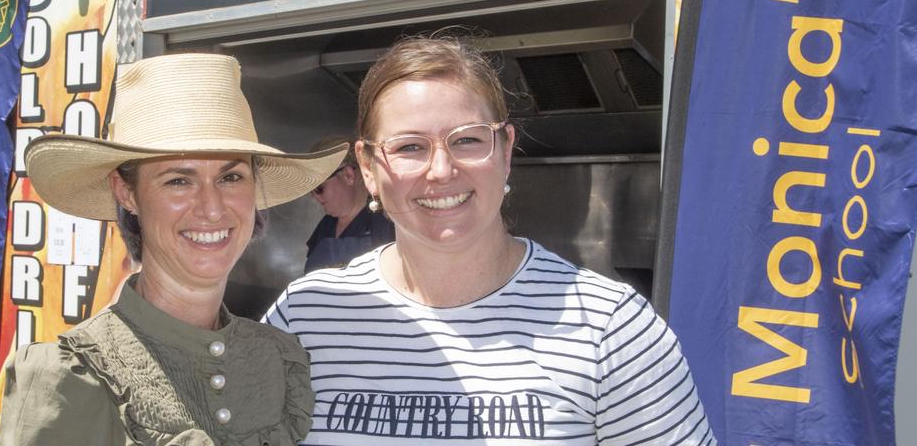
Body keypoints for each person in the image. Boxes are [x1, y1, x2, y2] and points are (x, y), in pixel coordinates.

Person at [265, 34, 714, 445]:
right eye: (409, 147)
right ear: (368, 167)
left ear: (505, 151)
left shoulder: (609, 327)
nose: (441, 170)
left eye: (467, 140)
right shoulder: (305, 314)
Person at [0, 53, 347, 445]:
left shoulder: (279, 358)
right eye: (179, 181)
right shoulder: (72, 375)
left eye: (231, 176)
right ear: (125, 191)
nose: (212, 208)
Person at [303, 136, 395, 272]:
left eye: (319, 188)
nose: (314, 196)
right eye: (310, 190)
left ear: (348, 175)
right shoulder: (325, 226)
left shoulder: (387, 223)